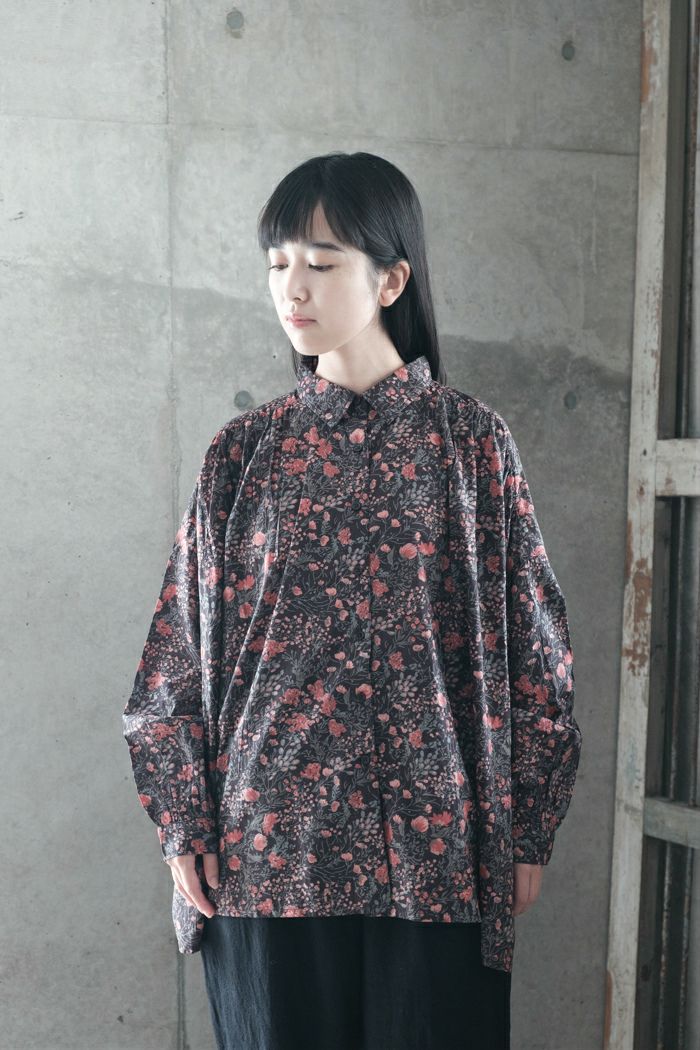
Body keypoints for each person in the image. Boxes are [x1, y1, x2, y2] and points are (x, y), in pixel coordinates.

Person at [122, 151, 582, 1050]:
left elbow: (539, 651)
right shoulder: (244, 453)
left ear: (390, 279)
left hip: (438, 856)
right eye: (277, 263)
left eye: (321, 263)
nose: (291, 288)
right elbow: (174, 655)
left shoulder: (471, 446)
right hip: (267, 856)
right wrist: (183, 821)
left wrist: (528, 825)